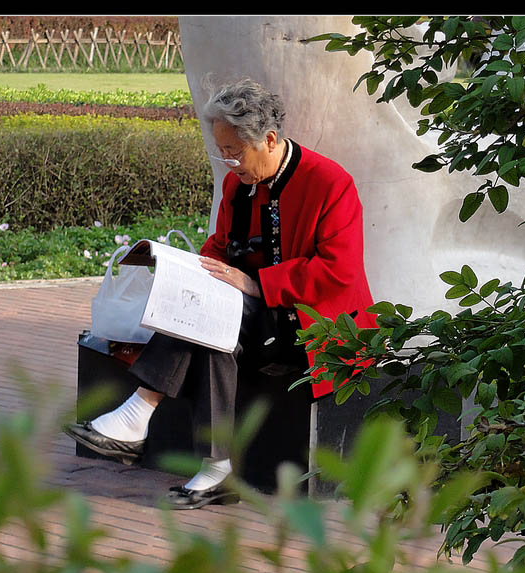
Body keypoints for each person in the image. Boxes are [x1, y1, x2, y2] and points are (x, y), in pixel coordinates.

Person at [65, 78, 378, 509]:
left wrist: (257, 284)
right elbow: (220, 247)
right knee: (211, 327)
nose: (228, 162)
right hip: (250, 318)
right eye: (222, 151)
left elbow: (337, 271)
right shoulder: (238, 185)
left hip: (312, 324)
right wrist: (180, 271)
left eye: (234, 152)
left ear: (269, 140)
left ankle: (141, 415)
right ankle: (211, 468)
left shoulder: (329, 182)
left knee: (214, 319)